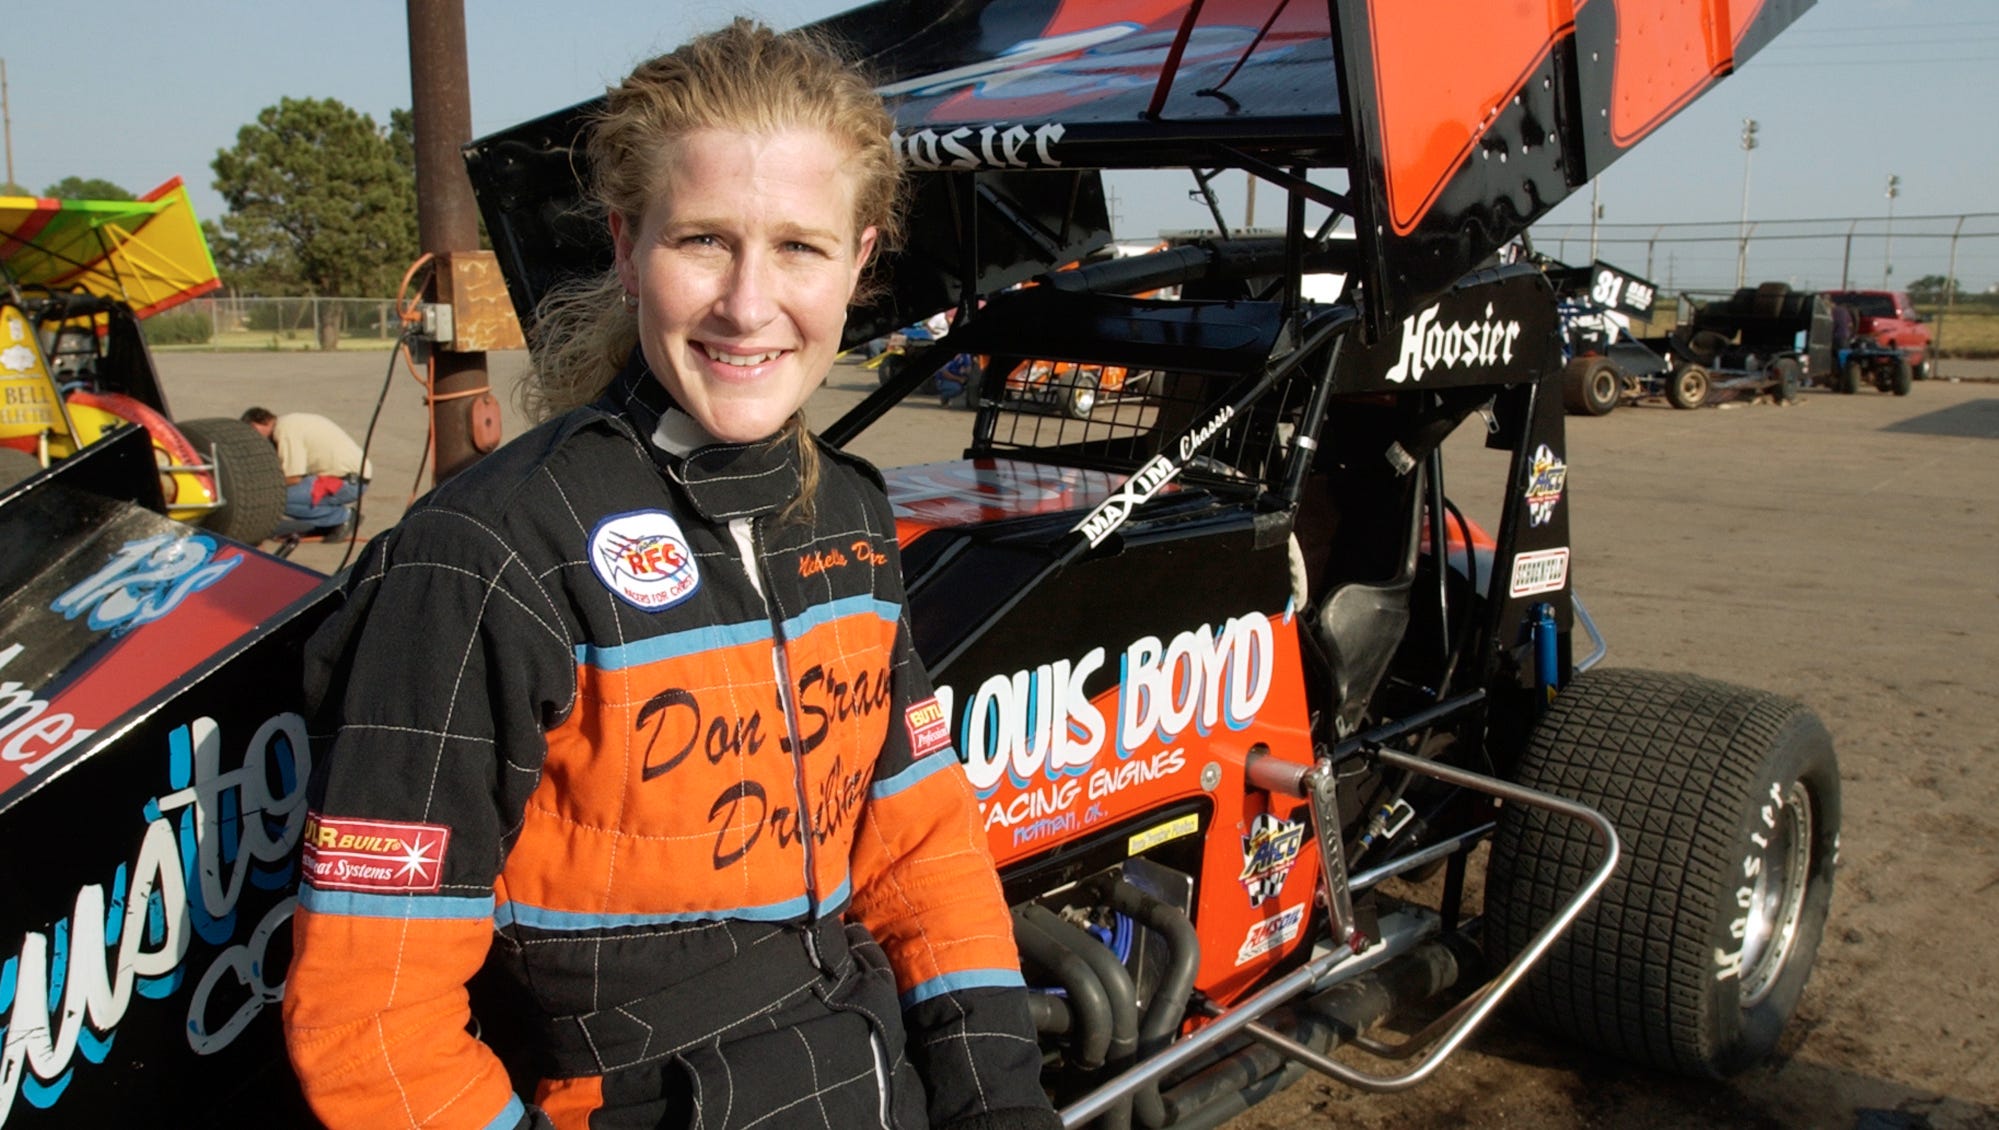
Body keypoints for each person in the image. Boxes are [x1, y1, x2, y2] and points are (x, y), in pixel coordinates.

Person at [283, 20, 1059, 1130]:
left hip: (866, 1085)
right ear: (625, 244)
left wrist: (1001, 1104)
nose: (748, 304)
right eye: (703, 240)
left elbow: (923, 851)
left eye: (798, 247)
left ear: (859, 261)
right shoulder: (486, 554)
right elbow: (369, 1018)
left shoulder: (849, 512)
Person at [240, 406, 372, 538]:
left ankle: (343, 517)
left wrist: (260, 488)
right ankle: (326, 522)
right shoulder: (289, 422)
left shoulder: (284, 431)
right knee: (281, 492)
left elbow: (294, 478)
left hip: (348, 483)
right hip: (354, 477)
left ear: (255, 425)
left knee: (275, 498)